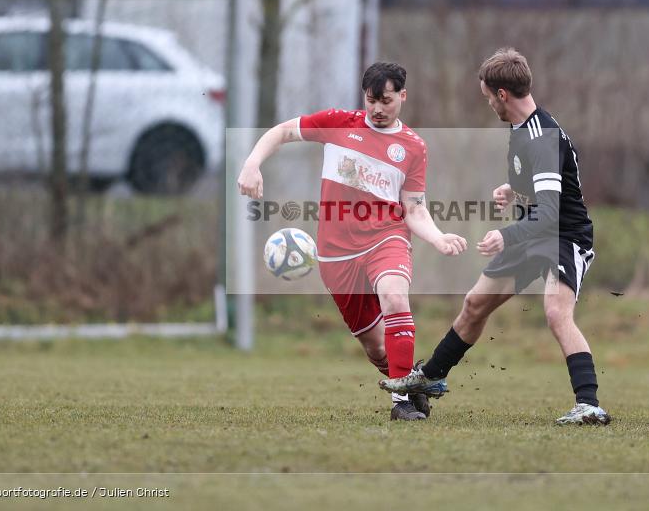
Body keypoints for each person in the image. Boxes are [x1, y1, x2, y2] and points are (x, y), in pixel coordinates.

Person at [379, 48, 611, 425]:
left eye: (488, 95)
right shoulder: (523, 130)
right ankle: (431, 377)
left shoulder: (541, 136)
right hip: (534, 235)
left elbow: (552, 212)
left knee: (556, 312)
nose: (488, 103)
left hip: (562, 238)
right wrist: (513, 188)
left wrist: (506, 235)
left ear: (502, 94)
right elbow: (548, 182)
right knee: (475, 304)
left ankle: (588, 404)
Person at [238, 62, 467, 421]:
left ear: (402, 97)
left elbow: (414, 208)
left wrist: (438, 238)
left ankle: (401, 403)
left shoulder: (413, 147)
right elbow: (282, 132)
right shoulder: (339, 123)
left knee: (394, 296)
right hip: (335, 255)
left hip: (386, 238)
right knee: (376, 348)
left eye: (386, 100)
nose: (377, 108)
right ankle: (411, 382)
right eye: (371, 99)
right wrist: (252, 163)